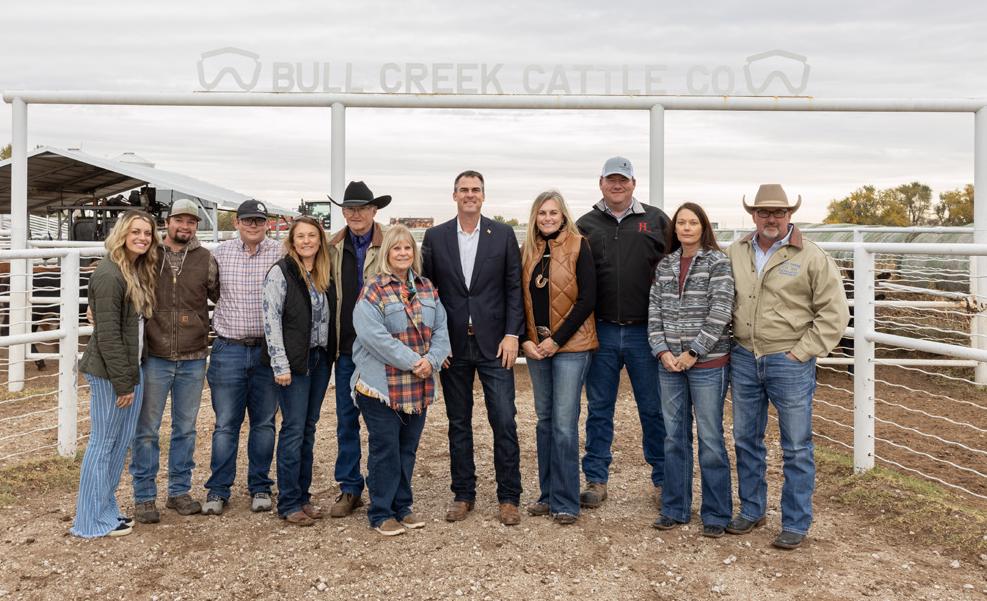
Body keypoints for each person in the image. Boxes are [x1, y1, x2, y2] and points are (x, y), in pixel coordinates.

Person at [726, 184, 849, 550]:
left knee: (796, 445)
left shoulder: (811, 256)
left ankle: (795, 521)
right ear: (753, 215)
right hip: (745, 356)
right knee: (746, 439)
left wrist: (803, 351)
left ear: (789, 215)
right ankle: (752, 509)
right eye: (764, 212)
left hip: (789, 359)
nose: (771, 218)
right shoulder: (736, 252)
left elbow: (834, 312)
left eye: (778, 212)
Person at [421, 170, 525, 526]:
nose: (469, 195)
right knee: (458, 422)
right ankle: (463, 494)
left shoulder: (504, 235)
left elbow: (514, 288)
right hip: (452, 346)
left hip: (496, 344)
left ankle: (509, 497)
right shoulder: (436, 237)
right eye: (463, 190)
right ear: (454, 195)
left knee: (504, 420)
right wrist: (436, 343)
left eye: (475, 190)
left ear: (484, 195)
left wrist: (513, 333)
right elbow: (428, 294)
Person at [576, 156, 670, 509]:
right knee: (599, 407)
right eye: (611, 180)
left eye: (624, 180)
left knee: (653, 408)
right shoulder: (585, 224)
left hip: (644, 331)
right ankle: (596, 479)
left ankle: (662, 479)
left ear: (634, 183)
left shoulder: (657, 220)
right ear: (600, 182)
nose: (617, 185)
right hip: (599, 330)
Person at [352, 225, 451, 536]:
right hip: (380, 384)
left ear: (414, 252)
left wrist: (431, 361)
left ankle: (402, 506)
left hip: (418, 383)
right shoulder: (373, 289)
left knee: (408, 448)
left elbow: (442, 332)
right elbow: (373, 337)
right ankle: (381, 511)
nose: (403, 253)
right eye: (396, 248)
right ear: (387, 253)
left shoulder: (427, 288)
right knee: (385, 448)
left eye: (408, 248)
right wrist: (414, 362)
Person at [129, 199, 220, 524]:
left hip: (194, 356)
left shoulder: (206, 258)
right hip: (155, 355)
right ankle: (144, 495)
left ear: (196, 226)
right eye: (180, 220)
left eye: (191, 222)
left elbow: (218, 295)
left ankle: (179, 490)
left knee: (185, 429)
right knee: (147, 429)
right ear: (167, 223)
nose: (185, 227)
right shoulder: (148, 256)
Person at [647, 202, 734, 537]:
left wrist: (694, 351)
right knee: (673, 437)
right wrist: (663, 350)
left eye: (692, 223)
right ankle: (675, 507)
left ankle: (716, 513)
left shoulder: (717, 262)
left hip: (708, 363)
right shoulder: (666, 265)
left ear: (703, 227)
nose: (686, 228)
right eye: (681, 223)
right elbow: (654, 310)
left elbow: (721, 309)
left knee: (710, 437)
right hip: (669, 364)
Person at [72, 210, 160, 538]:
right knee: (103, 443)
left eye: (147, 233)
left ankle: (105, 509)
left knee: (118, 443)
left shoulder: (133, 268)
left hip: (128, 369)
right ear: (122, 232)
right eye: (136, 231)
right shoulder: (110, 273)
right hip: (112, 372)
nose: (142, 237)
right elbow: (107, 334)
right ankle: (89, 520)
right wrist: (124, 382)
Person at [519, 190, 597, 525]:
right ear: (534, 218)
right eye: (541, 213)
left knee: (565, 424)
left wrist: (557, 341)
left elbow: (588, 299)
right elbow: (518, 298)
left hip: (571, 347)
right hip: (536, 348)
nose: (548, 218)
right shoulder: (527, 250)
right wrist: (525, 339)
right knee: (545, 421)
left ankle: (567, 501)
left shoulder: (580, 245)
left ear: (563, 215)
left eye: (553, 213)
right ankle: (547, 494)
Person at [203, 200, 284, 516]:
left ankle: (260, 485)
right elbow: (210, 290)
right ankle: (218, 489)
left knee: (264, 423)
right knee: (225, 424)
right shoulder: (220, 254)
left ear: (266, 224)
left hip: (266, 349)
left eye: (259, 220)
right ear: (237, 222)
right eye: (248, 220)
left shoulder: (279, 252)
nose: (254, 225)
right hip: (229, 348)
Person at [262, 216, 337, 526]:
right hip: (294, 363)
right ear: (292, 242)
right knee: (293, 429)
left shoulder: (323, 272)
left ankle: (303, 496)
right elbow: (271, 320)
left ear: (320, 240)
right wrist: (280, 364)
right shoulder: (281, 272)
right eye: (301, 237)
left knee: (309, 428)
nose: (307, 241)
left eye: (312, 236)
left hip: (320, 359)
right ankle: (289, 501)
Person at [327, 181, 389, 518]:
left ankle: (385, 487)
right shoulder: (332, 246)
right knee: (346, 420)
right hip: (347, 348)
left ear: (374, 210)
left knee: (385, 423)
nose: (355, 213)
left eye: (362, 207)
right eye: (349, 208)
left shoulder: (392, 243)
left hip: (383, 350)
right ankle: (350, 487)